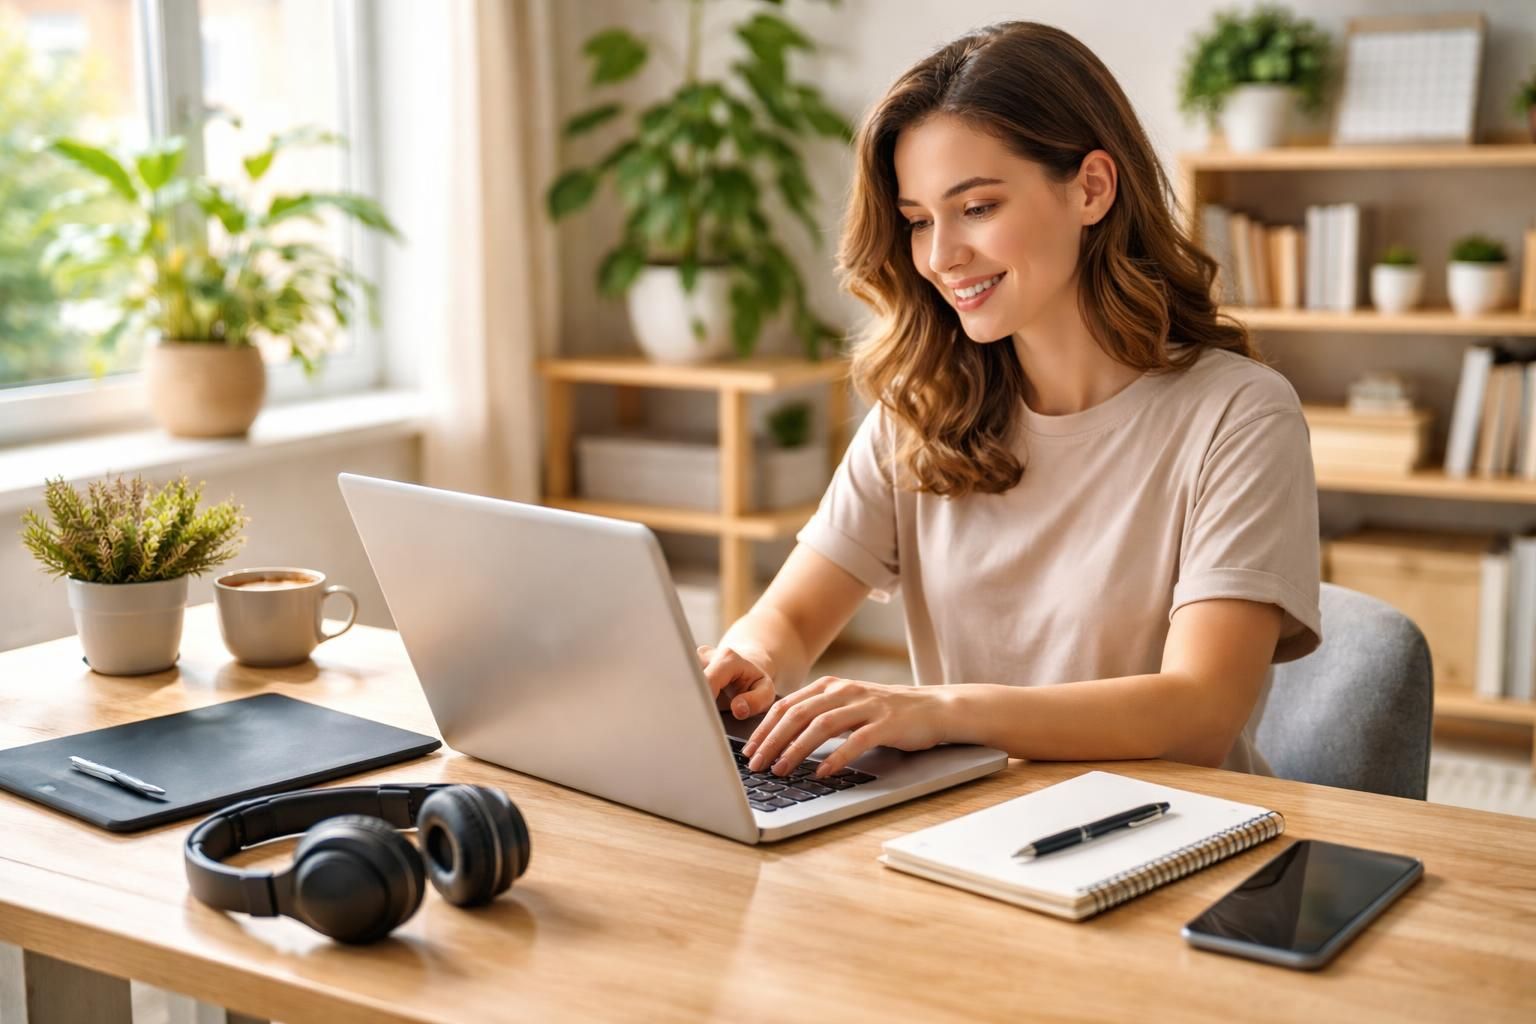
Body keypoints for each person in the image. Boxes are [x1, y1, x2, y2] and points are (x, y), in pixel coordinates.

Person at [697, 21, 1320, 782]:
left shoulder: (1240, 415)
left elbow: (1199, 714)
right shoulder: (924, 405)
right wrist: (749, 660)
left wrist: (941, 712)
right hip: (966, 831)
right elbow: (790, 618)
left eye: (978, 207)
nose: (939, 255)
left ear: (1091, 187)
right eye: (919, 220)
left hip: (1171, 837)